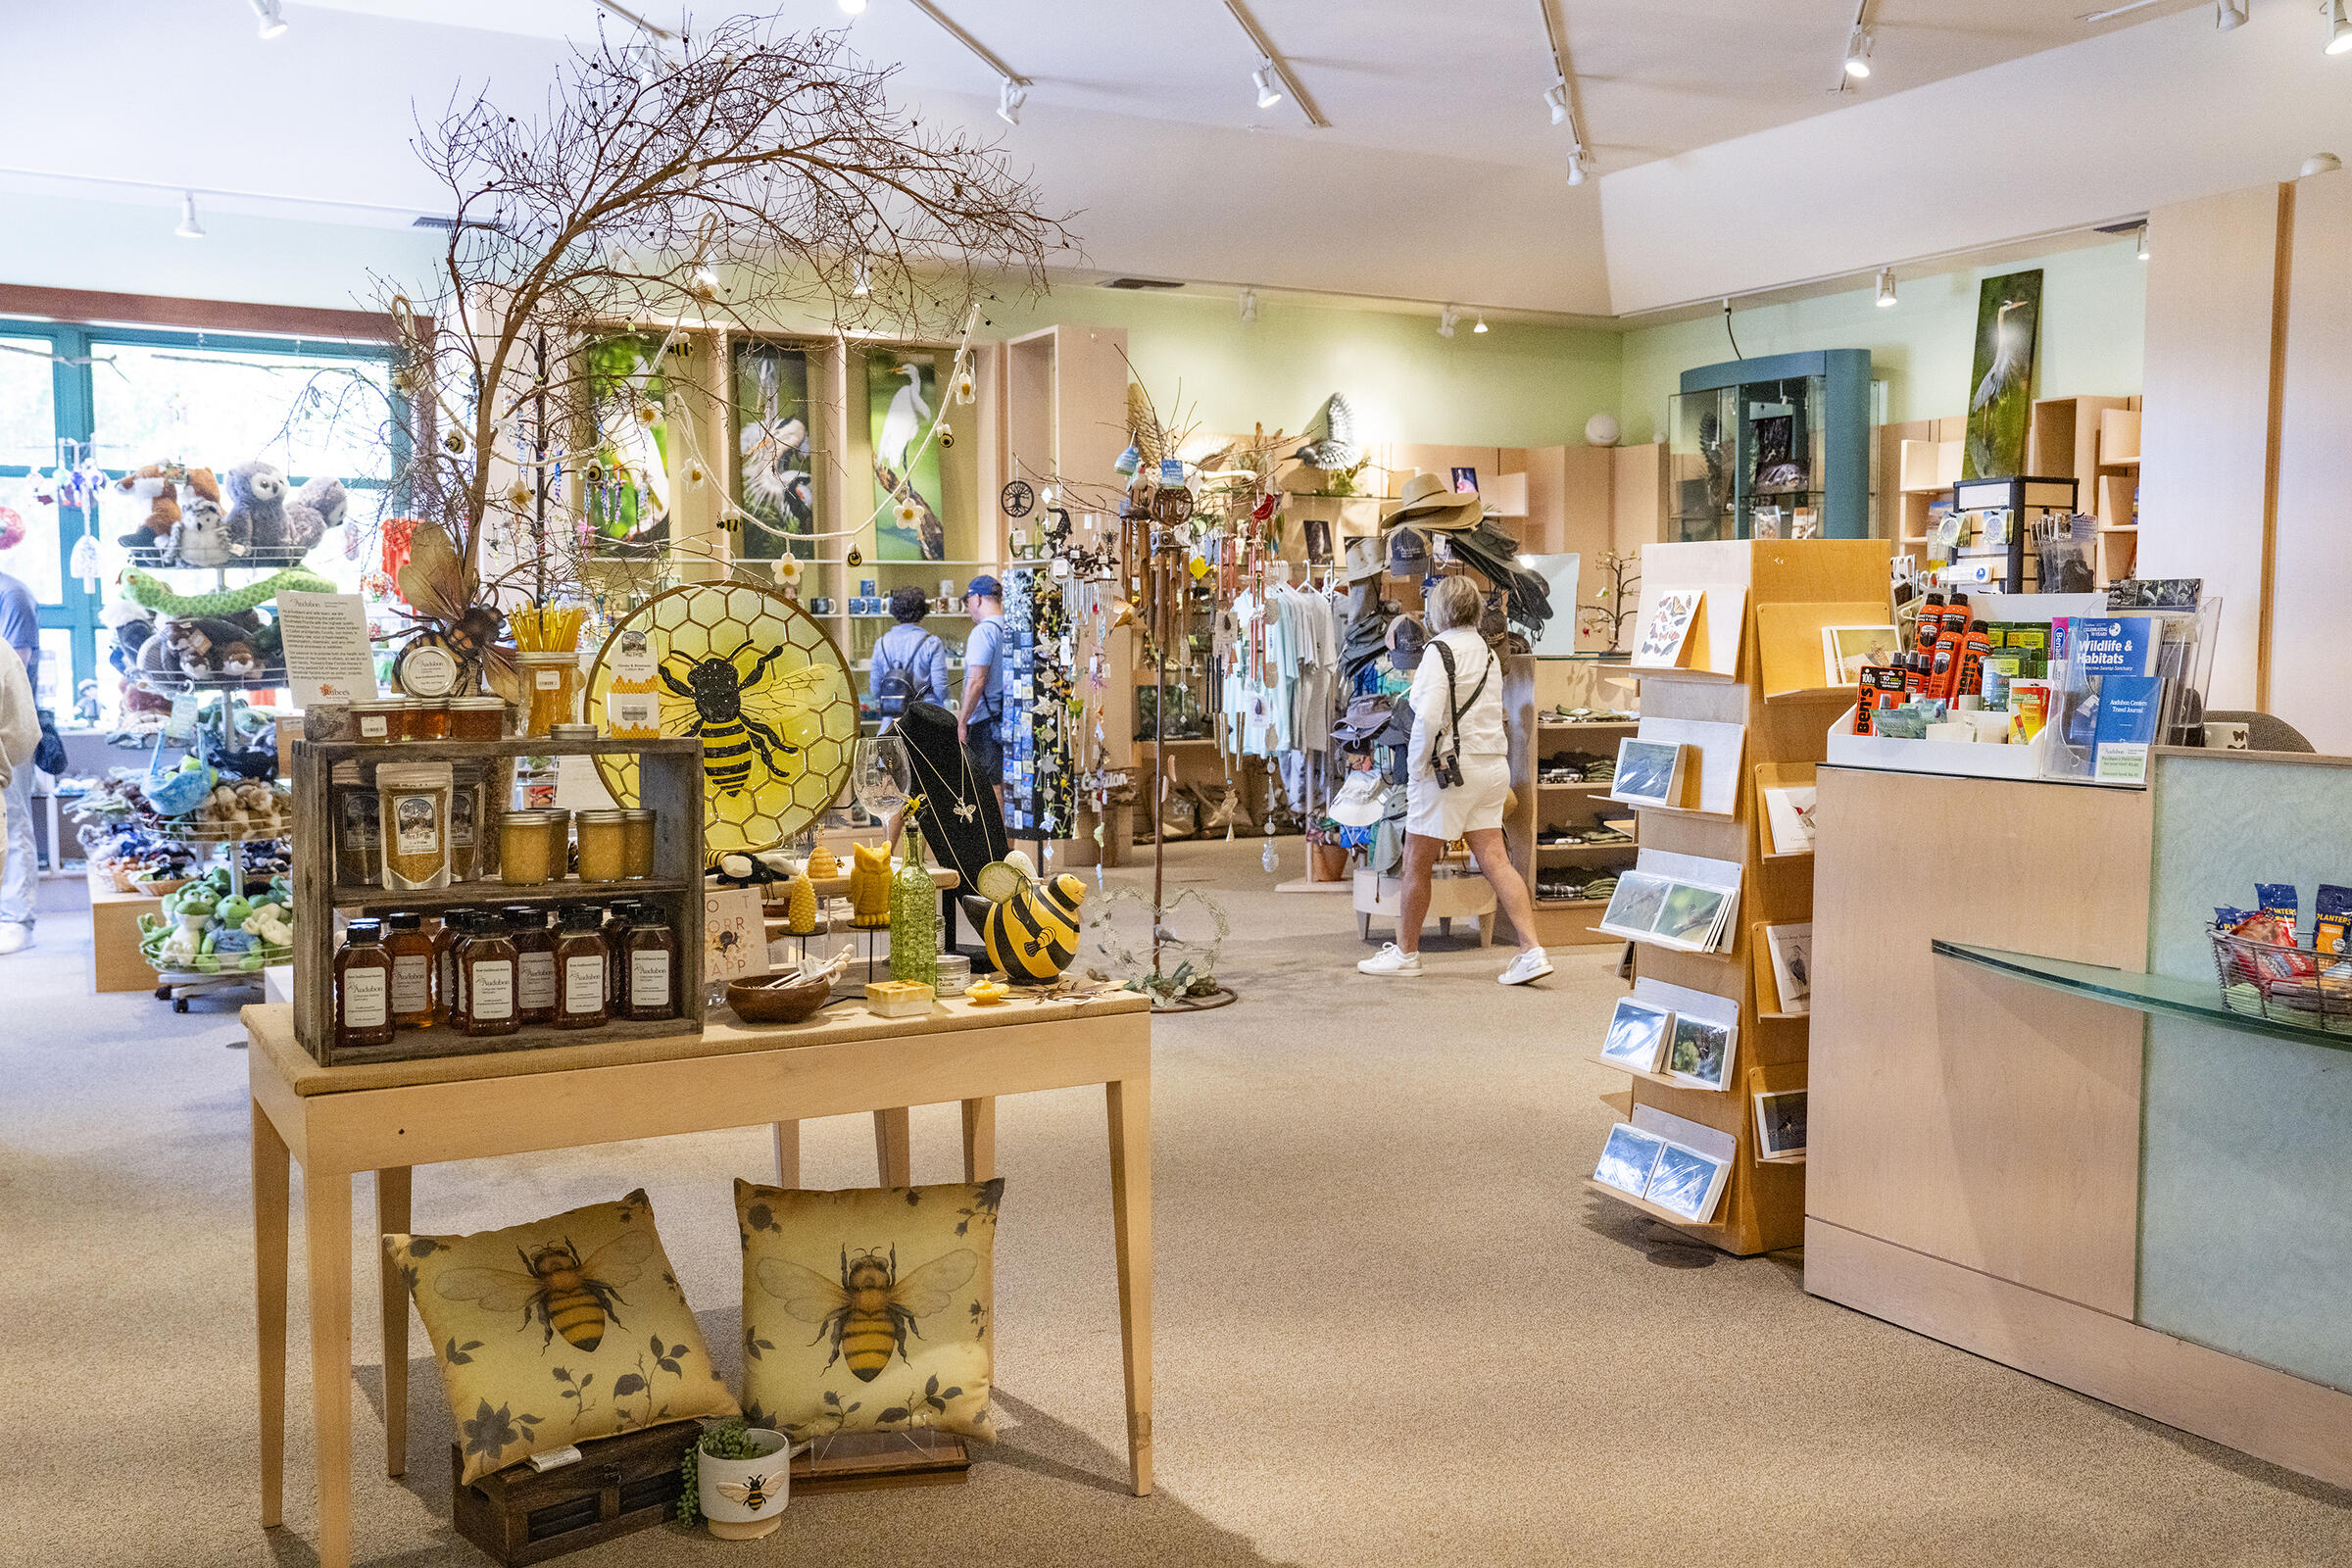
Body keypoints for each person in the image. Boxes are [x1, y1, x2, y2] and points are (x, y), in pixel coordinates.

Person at [1357, 573, 1550, 985]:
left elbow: (1426, 717)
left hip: (1446, 772)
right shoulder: (1487, 651)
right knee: (1496, 860)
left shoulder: (1437, 652)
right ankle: (1531, 950)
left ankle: (1407, 952)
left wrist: (1415, 770)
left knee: (1416, 861)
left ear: (1437, 611)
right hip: (1491, 767)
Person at [0, 568, 38, 956]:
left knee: (11, 818)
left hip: (8, 724)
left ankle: (16, 918)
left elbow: (14, 667)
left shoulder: (12, 595)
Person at [956, 573, 1008, 809]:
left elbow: (976, 681)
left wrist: (963, 720)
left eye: (968, 600)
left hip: (985, 722)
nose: (968, 608)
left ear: (977, 598)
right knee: (1004, 785)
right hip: (1006, 718)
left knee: (990, 785)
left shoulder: (983, 632)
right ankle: (1009, 845)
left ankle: (998, 846)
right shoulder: (1010, 627)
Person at [868, 585, 949, 727]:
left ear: (895, 610)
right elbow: (941, 689)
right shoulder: (931, 643)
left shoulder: (881, 643)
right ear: (923, 610)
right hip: (925, 719)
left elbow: (875, 690)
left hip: (891, 721)